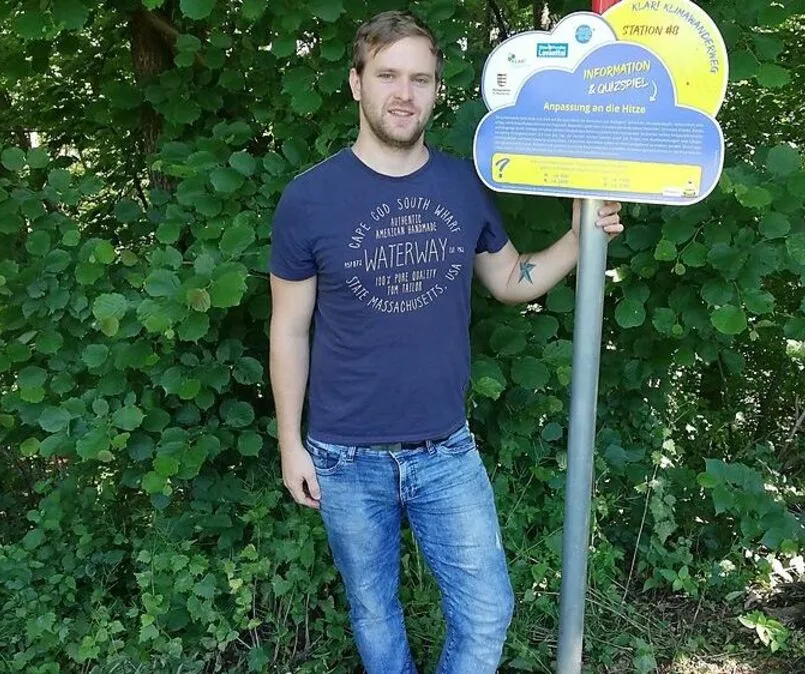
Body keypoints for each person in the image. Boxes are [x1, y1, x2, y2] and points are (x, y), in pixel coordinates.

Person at [266, 10, 623, 673]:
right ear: (356, 84)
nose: (404, 94)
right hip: (344, 454)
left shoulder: (462, 184)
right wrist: (290, 442)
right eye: (388, 76)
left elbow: (513, 281)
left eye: (421, 79)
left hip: (444, 450)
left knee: (488, 611)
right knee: (374, 612)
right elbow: (288, 327)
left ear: (436, 90)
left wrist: (581, 235)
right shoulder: (309, 199)